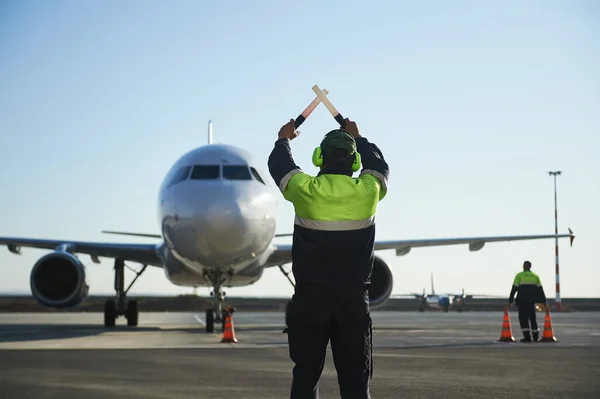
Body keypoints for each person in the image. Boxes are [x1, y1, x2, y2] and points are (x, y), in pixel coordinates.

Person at [268, 117, 389, 399]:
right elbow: (379, 167)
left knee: (306, 375)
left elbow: (280, 166)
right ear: (355, 161)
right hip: (353, 303)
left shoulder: (304, 189)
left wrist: (284, 139)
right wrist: (359, 137)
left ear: (318, 157)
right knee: (356, 378)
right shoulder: (368, 190)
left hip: (311, 301)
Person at [508, 260, 547, 342]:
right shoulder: (535, 276)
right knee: (533, 319)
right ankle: (535, 337)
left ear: (524, 266)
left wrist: (510, 300)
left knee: (523, 319)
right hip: (531, 302)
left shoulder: (519, 275)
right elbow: (540, 290)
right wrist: (543, 301)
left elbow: (514, 288)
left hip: (521, 301)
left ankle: (527, 337)